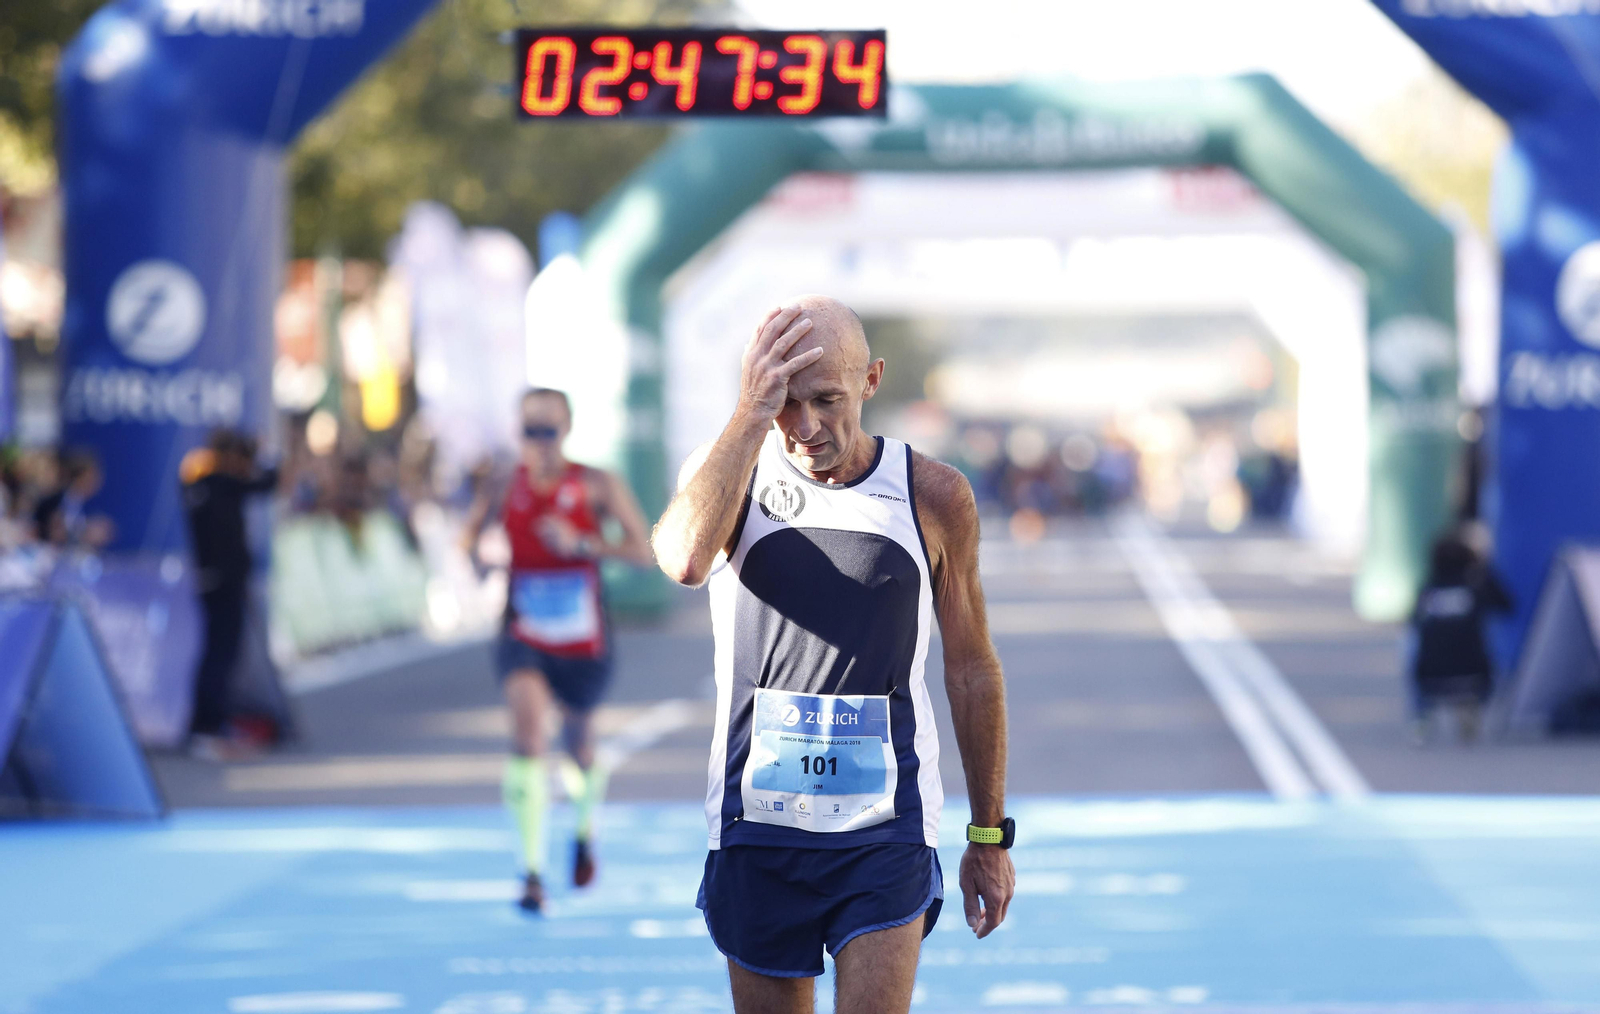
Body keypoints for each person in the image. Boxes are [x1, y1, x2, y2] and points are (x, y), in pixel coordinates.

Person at [652, 298, 1016, 1014]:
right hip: (758, 826)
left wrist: (989, 835)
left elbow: (972, 668)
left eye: (826, 400)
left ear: (871, 381)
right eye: (785, 402)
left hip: (884, 829)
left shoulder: (933, 495)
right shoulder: (732, 472)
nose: (805, 425)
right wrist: (749, 416)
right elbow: (684, 561)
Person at [463, 388, 653, 913]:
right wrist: (481, 561)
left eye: (549, 431)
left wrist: (583, 543)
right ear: (518, 432)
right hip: (523, 632)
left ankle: (585, 829)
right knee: (528, 734)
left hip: (583, 638)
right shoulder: (504, 482)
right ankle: (530, 873)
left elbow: (644, 551)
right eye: (530, 431)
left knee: (579, 745)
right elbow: (468, 538)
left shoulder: (596, 484)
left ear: (566, 430)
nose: (540, 442)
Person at [181, 429, 278, 760]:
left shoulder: (196, 483)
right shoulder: (223, 483)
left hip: (209, 578)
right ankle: (208, 726)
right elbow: (267, 482)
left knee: (215, 652)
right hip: (225, 581)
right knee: (222, 654)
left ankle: (207, 723)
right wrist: (265, 454)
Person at [1407, 526, 1513, 744]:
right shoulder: (1478, 585)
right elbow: (1507, 607)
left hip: (1429, 677)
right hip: (1476, 675)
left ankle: (1421, 716)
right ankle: (1470, 706)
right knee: (1486, 629)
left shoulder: (1428, 589)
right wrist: (1485, 570)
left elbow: (1412, 621)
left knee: (1410, 642)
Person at [32, 450, 113, 550]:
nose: (96, 483)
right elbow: (54, 534)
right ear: (80, 477)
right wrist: (84, 533)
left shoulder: (76, 502)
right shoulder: (57, 500)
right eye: (92, 477)